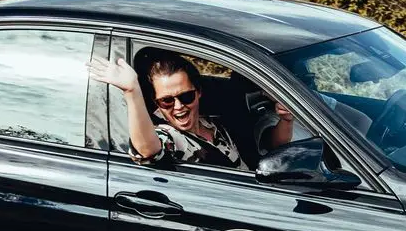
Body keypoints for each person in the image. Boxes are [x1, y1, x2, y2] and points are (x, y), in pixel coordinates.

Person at [90, 49, 291, 169]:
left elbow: (272, 146)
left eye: (186, 96)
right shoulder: (170, 137)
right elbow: (147, 151)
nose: (179, 107)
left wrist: (286, 120)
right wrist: (132, 91)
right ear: (157, 102)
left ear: (199, 92)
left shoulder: (212, 122)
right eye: (166, 101)